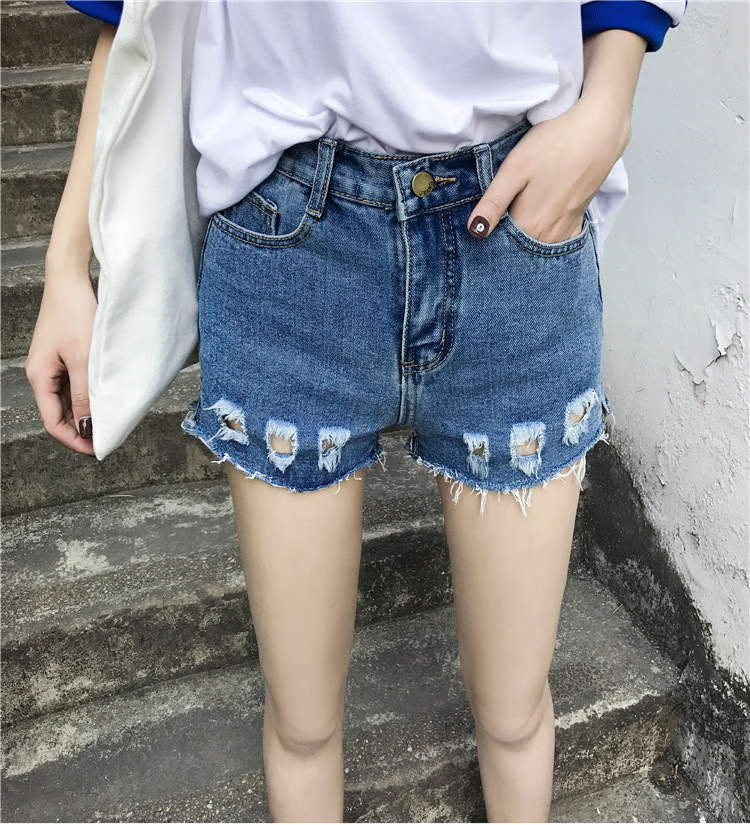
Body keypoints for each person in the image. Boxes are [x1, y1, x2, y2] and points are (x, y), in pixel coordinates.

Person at [26, 1, 686, 820]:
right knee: (302, 726)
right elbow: (127, 17)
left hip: (516, 231)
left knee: (516, 715)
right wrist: (66, 263)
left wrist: (609, 102)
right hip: (292, 251)